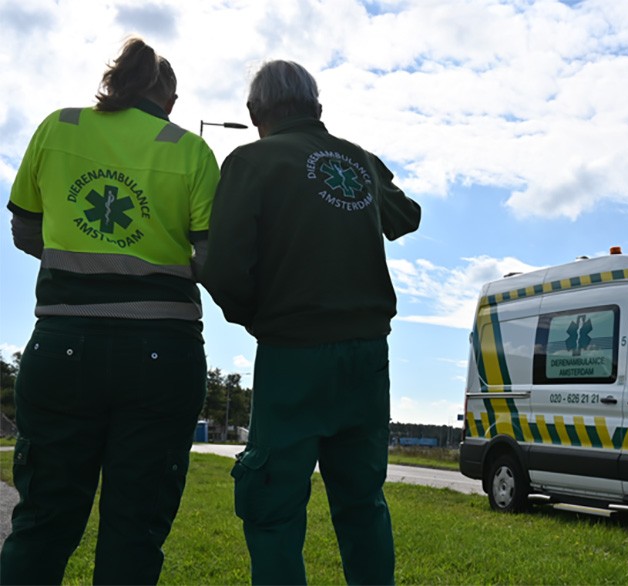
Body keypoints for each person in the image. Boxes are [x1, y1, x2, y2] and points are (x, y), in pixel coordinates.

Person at [1, 37, 219, 584]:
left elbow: (26, 228)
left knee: (43, 521)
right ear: (167, 99)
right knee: (135, 529)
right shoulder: (190, 150)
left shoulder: (59, 127)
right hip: (161, 352)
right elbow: (211, 256)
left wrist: (74, 258)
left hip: (61, 344)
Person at [201, 60, 420, 585]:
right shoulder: (360, 162)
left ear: (255, 113)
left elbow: (225, 270)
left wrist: (257, 319)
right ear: (318, 108)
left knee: (273, 505)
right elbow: (405, 216)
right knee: (362, 502)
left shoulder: (250, 162)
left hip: (292, 356)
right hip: (368, 359)